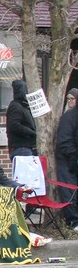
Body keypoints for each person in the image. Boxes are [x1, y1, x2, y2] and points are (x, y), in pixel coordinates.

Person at [54, 88, 78, 228]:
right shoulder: (69, 117)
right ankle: (74, 222)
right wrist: (74, 156)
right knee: (69, 191)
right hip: (69, 161)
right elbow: (64, 141)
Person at [6, 80, 38, 158]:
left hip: (28, 147)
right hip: (21, 147)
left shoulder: (24, 106)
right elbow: (14, 125)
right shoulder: (16, 106)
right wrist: (32, 133)